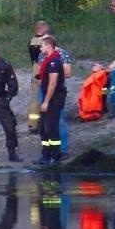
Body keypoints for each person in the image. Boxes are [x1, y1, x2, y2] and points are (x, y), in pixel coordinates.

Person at [34, 35, 70, 164]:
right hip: (47, 96)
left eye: (42, 45)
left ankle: (56, 156)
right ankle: (45, 155)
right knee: (43, 128)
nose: (40, 48)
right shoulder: (47, 60)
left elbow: (53, 83)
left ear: (49, 46)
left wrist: (46, 101)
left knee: (52, 128)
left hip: (54, 98)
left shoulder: (54, 61)